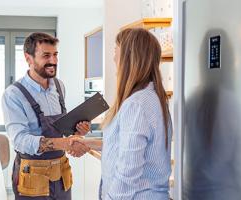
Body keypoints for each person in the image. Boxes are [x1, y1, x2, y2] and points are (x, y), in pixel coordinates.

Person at [71, 28, 173, 199]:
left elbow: (128, 171)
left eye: (115, 52)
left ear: (129, 59)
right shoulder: (152, 97)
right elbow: (125, 147)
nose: (113, 59)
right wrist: (88, 142)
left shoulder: (136, 105)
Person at [2, 32, 91, 200]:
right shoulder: (13, 94)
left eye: (55, 54)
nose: (53, 61)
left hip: (61, 174)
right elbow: (20, 140)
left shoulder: (59, 86)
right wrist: (66, 143)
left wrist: (77, 131)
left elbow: (61, 129)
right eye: (46, 55)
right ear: (28, 58)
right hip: (32, 178)